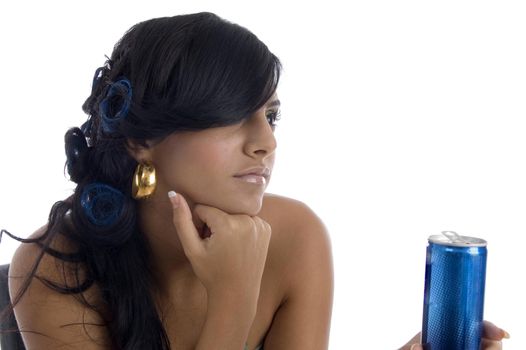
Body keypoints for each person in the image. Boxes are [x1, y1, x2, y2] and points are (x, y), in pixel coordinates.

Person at [0, 12, 507, 350]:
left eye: (271, 115)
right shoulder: (55, 269)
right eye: (234, 115)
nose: (266, 142)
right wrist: (232, 300)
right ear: (140, 140)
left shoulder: (294, 235)